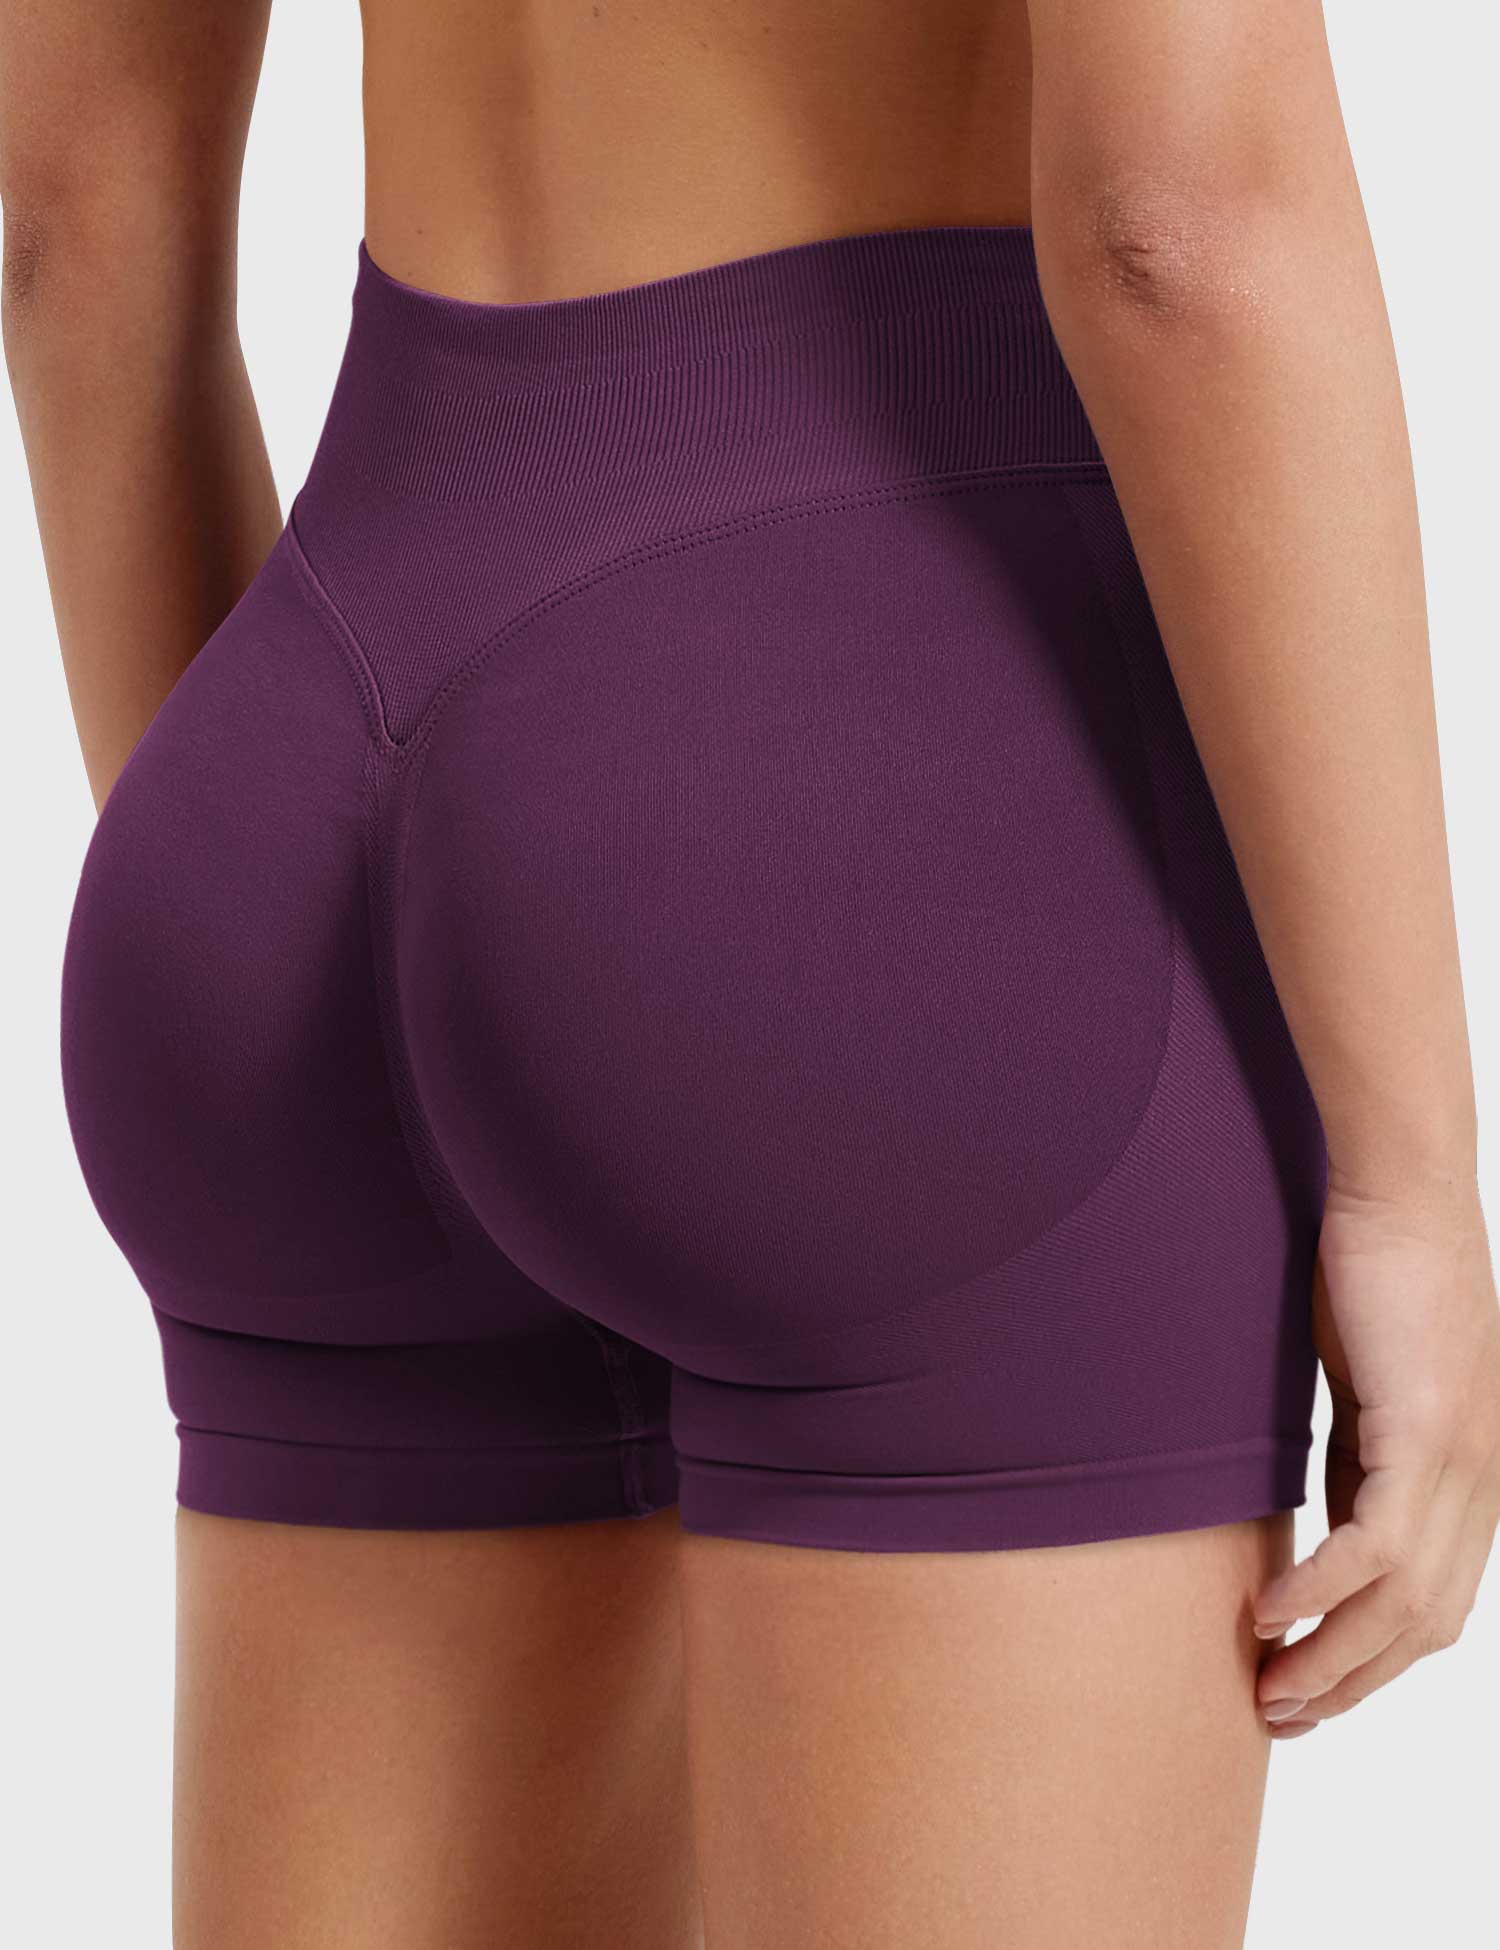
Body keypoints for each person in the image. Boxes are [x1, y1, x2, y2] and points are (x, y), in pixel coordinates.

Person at [4, 2, 1497, 1945]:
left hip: (307, 730)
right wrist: (1411, 1180)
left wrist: (284, 945)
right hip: (890, 781)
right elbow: (1176, 226)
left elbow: (68, 222)